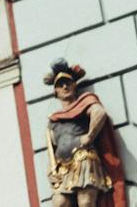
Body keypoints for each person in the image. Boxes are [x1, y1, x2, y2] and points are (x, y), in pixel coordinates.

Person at [43, 60, 120, 206]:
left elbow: (99, 112)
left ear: (74, 85)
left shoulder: (84, 103)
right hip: (63, 168)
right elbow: (51, 150)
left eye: (68, 83)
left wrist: (90, 136)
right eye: (60, 84)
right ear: (55, 92)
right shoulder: (53, 120)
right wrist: (51, 173)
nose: (65, 86)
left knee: (85, 202)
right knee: (59, 203)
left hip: (83, 158)